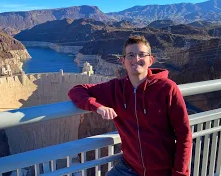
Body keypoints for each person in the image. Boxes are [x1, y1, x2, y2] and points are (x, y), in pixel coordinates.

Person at [68, 35, 192, 176]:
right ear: (123, 61)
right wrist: (97, 106)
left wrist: (179, 173)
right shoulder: (115, 89)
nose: (136, 59)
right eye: (131, 55)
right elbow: (76, 90)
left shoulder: (167, 89)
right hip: (129, 169)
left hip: (163, 171)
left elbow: (184, 135)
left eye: (141, 55)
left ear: (150, 60)